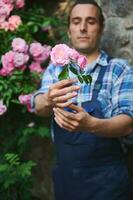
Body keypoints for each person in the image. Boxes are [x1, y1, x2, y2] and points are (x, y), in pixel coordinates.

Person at [31, 0, 133, 199]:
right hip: (67, 180)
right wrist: (48, 99)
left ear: (101, 28)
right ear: (69, 30)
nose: (83, 28)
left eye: (91, 21)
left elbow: (128, 124)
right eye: (76, 21)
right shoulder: (56, 69)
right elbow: (38, 106)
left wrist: (91, 125)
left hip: (108, 182)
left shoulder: (119, 69)